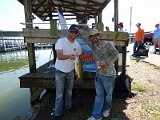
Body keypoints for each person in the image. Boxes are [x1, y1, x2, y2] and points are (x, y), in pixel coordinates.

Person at [79, 28, 118, 120]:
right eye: (92, 36)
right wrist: (81, 32)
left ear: (99, 36)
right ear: (91, 38)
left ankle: (107, 108)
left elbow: (115, 53)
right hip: (98, 74)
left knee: (108, 94)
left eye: (96, 35)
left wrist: (106, 62)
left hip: (109, 74)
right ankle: (96, 116)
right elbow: (85, 38)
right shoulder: (92, 45)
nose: (94, 37)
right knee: (99, 95)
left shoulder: (107, 44)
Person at [52, 24, 82, 120]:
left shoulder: (77, 45)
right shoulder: (61, 41)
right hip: (60, 71)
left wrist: (78, 72)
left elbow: (79, 58)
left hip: (71, 71)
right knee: (59, 93)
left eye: (76, 32)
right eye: (72, 31)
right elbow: (59, 56)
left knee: (69, 91)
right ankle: (57, 113)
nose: (73, 33)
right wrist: (69, 56)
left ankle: (68, 106)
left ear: (77, 34)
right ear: (69, 32)